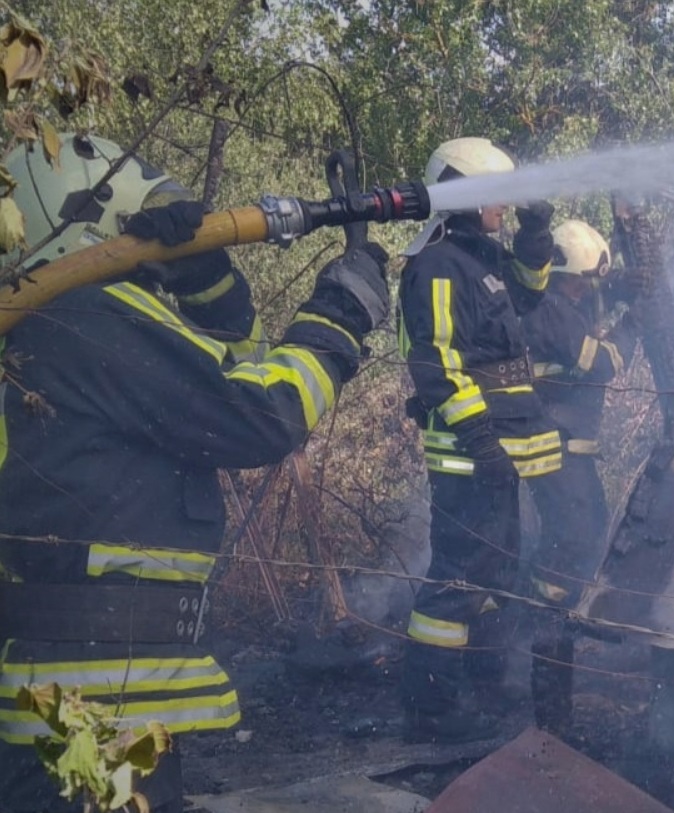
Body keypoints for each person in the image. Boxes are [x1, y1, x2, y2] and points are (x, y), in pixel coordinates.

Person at [0, 132, 390, 813]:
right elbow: (257, 411)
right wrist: (341, 313)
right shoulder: (89, 317)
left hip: (81, 693)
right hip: (97, 705)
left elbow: (227, 369)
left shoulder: (45, 330)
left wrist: (209, 284)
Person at [396, 137, 560, 743]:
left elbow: (529, 293)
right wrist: (480, 441)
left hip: (501, 448)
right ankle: (431, 710)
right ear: (462, 199)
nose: (502, 205)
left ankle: (480, 683)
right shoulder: (437, 265)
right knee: (460, 578)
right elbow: (437, 363)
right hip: (472, 453)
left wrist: (535, 232)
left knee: (494, 573)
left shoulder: (483, 258)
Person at [518, 219, 635, 732]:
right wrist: (634, 326)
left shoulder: (566, 303)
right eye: (581, 281)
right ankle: (546, 627)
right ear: (561, 274)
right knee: (571, 540)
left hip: (569, 447)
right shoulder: (548, 309)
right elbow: (601, 363)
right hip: (554, 447)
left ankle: (554, 618)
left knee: (585, 535)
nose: (587, 290)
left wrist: (626, 284)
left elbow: (594, 305)